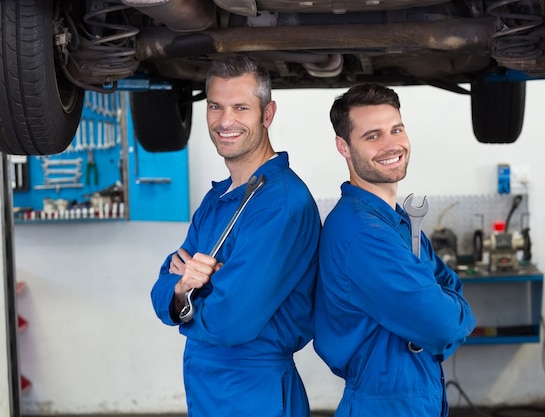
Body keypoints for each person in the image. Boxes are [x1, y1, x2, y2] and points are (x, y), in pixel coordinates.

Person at [150, 56, 321, 417]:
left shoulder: (281, 203)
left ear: (267, 114)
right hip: (208, 388)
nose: (225, 121)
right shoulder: (218, 198)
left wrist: (188, 295)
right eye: (216, 106)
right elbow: (164, 287)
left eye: (241, 108)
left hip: (255, 391)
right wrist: (182, 290)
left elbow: (230, 320)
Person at [313, 83, 476, 417]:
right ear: (343, 146)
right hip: (386, 402)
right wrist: (452, 313)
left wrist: (442, 305)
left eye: (396, 129)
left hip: (413, 394)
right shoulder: (364, 234)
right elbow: (442, 325)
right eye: (372, 136)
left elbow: (448, 286)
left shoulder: (395, 220)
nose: (391, 145)